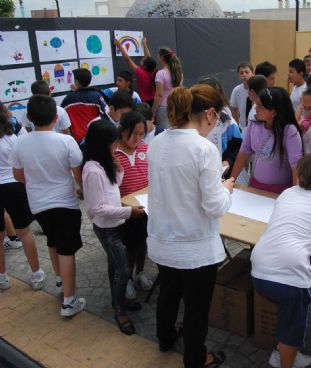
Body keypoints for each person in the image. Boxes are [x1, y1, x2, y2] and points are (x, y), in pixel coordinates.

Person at [147, 85, 234, 368]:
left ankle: (165, 338)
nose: (215, 125)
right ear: (209, 113)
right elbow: (215, 206)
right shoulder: (203, 148)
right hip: (195, 249)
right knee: (196, 309)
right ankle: (196, 359)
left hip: (162, 241)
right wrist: (226, 188)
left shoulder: (158, 141)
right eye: (217, 118)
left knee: (168, 294)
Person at [251, 153, 311, 368]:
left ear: (300, 174)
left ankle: (281, 351)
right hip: (291, 279)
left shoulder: (287, 194)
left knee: (287, 313)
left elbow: (283, 226)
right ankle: (286, 361)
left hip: (258, 270)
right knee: (293, 326)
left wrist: (310, 241)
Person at [12, 95, 86, 317]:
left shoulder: (21, 142)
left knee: (53, 242)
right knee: (67, 249)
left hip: (38, 204)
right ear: (56, 117)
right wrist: (81, 189)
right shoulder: (66, 142)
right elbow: (77, 174)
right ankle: (69, 302)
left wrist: (37, 183)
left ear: (29, 118)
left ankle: (60, 279)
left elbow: (18, 175)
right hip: (65, 202)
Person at [81, 120, 145, 335]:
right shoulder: (92, 170)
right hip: (107, 228)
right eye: (114, 141)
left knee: (115, 266)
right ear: (102, 144)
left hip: (115, 224)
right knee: (123, 269)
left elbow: (113, 190)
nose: (117, 145)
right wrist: (129, 212)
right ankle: (119, 309)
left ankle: (118, 302)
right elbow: (98, 207)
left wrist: (118, 171)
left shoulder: (103, 164)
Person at [0, 102, 45, 291]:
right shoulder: (14, 136)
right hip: (15, 185)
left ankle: (2, 278)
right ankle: (36, 274)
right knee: (24, 231)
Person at [230, 87, 303, 193]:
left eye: (260, 106)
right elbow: (243, 152)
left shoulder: (289, 131)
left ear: (273, 112)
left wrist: (295, 196)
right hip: (255, 186)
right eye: (256, 104)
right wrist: (231, 180)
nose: (255, 108)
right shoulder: (254, 124)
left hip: (280, 191)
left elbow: (296, 166)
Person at [114, 111, 153, 299]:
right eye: (133, 133)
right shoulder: (114, 153)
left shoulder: (145, 149)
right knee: (130, 246)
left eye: (141, 134)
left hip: (144, 207)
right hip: (124, 210)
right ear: (122, 131)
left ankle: (139, 273)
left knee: (143, 241)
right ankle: (127, 278)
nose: (137, 138)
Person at [199, 77, 242, 178]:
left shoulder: (227, 122)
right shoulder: (194, 118)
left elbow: (238, 145)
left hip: (220, 173)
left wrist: (228, 161)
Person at [61, 68, 107, 143]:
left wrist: (73, 92)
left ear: (77, 82)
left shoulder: (69, 98)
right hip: (95, 136)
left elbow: (61, 115)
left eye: (74, 80)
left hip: (78, 140)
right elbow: (106, 113)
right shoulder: (97, 96)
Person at [114, 37, 156, 106]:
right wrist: (144, 44)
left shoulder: (141, 73)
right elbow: (149, 58)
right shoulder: (153, 71)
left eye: (143, 60)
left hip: (145, 102)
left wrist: (119, 45)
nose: (142, 59)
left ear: (145, 66)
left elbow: (128, 60)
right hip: (153, 99)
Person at [152, 47, 183, 129]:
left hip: (164, 107)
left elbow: (159, 95)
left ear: (161, 58)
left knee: (164, 132)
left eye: (158, 56)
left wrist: (153, 111)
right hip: (176, 106)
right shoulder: (179, 73)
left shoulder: (160, 74)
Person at [230, 62, 254, 130]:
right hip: (243, 127)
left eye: (247, 72)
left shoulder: (257, 89)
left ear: (253, 73)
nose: (244, 75)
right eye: (241, 73)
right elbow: (234, 108)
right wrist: (237, 124)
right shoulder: (236, 90)